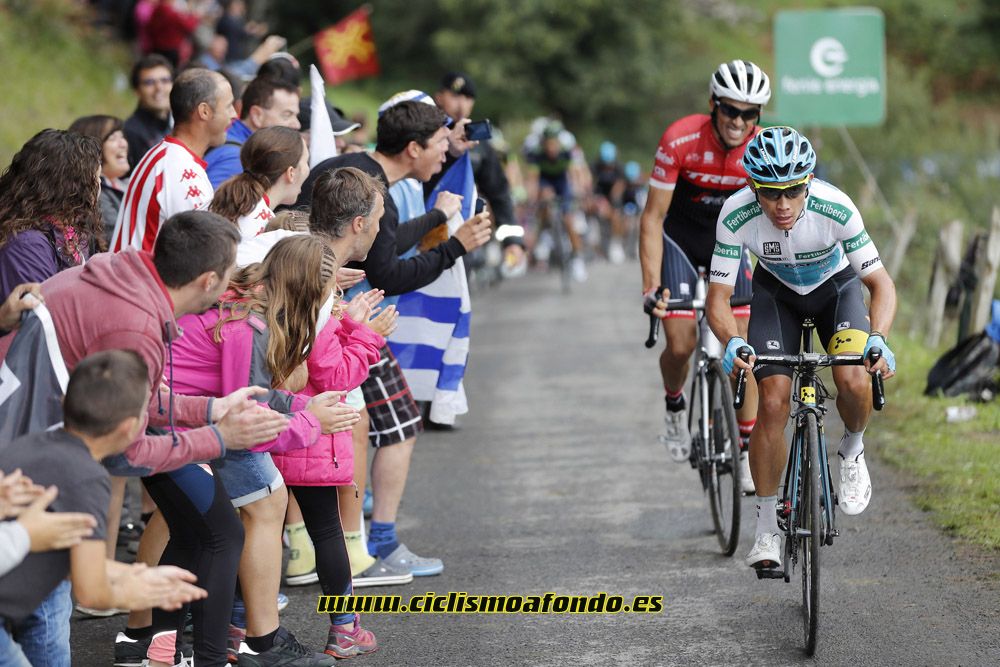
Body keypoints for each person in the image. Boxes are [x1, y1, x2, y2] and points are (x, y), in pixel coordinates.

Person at [295, 99, 492, 581]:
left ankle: (320, 549)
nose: (444, 157)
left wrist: (434, 223)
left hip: (325, 314)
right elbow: (386, 270)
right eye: (441, 146)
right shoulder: (371, 183)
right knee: (387, 426)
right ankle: (365, 545)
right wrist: (456, 246)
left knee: (335, 434)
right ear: (412, 148)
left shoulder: (359, 166)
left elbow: (382, 242)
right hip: (344, 322)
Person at [159, 234, 362, 666]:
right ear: (306, 291)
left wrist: (303, 406)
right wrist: (311, 423)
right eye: (327, 294)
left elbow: (253, 396)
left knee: (209, 529)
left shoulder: (249, 297)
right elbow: (245, 420)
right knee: (266, 504)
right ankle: (260, 641)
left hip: (181, 417)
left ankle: (164, 642)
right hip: (175, 423)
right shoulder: (250, 325)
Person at [706, 126, 897, 569]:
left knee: (852, 376)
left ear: (809, 182)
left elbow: (879, 284)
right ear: (753, 187)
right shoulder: (735, 214)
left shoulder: (836, 207)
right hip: (776, 296)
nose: (783, 205)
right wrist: (731, 339)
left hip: (836, 292)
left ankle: (851, 447)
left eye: (793, 191)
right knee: (771, 400)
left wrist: (879, 339)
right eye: (771, 193)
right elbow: (718, 298)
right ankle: (768, 527)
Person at [0, 350, 208, 667]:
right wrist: (145, 594)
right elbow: (91, 591)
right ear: (130, 427)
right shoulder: (86, 476)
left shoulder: (36, 443)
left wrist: (134, 573)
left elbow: (71, 561)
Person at [639, 60, 770, 494]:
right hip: (680, 239)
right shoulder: (681, 139)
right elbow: (653, 219)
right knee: (680, 342)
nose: (738, 122)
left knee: (744, 348)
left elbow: (773, 221)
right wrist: (651, 285)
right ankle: (675, 407)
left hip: (728, 245)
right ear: (713, 105)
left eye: (749, 114)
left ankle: (748, 448)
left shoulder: (761, 149)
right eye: (730, 110)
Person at [112, 67, 237, 252]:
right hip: (141, 280)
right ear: (204, 111)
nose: (234, 114)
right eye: (228, 106)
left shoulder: (166, 156)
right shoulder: (181, 173)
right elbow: (202, 256)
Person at [0, 129, 104, 301]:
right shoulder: (27, 245)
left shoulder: (72, 225)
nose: (100, 185)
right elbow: (43, 316)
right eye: (95, 178)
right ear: (69, 186)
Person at [209, 126, 309, 239]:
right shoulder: (268, 232)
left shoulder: (220, 199)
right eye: (306, 161)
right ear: (291, 173)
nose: (308, 168)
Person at [204, 75, 301, 189]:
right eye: (287, 115)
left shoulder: (232, 139)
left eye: (296, 115)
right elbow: (213, 205)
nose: (297, 125)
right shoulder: (236, 158)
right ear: (256, 115)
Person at [68, 115, 132, 245]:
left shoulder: (126, 184)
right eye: (113, 138)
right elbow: (119, 240)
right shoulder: (96, 195)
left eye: (122, 137)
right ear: (91, 149)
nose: (123, 144)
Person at [123, 54, 174, 172]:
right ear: (137, 91)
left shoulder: (179, 123)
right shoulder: (129, 133)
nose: (159, 88)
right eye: (149, 82)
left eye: (165, 80)